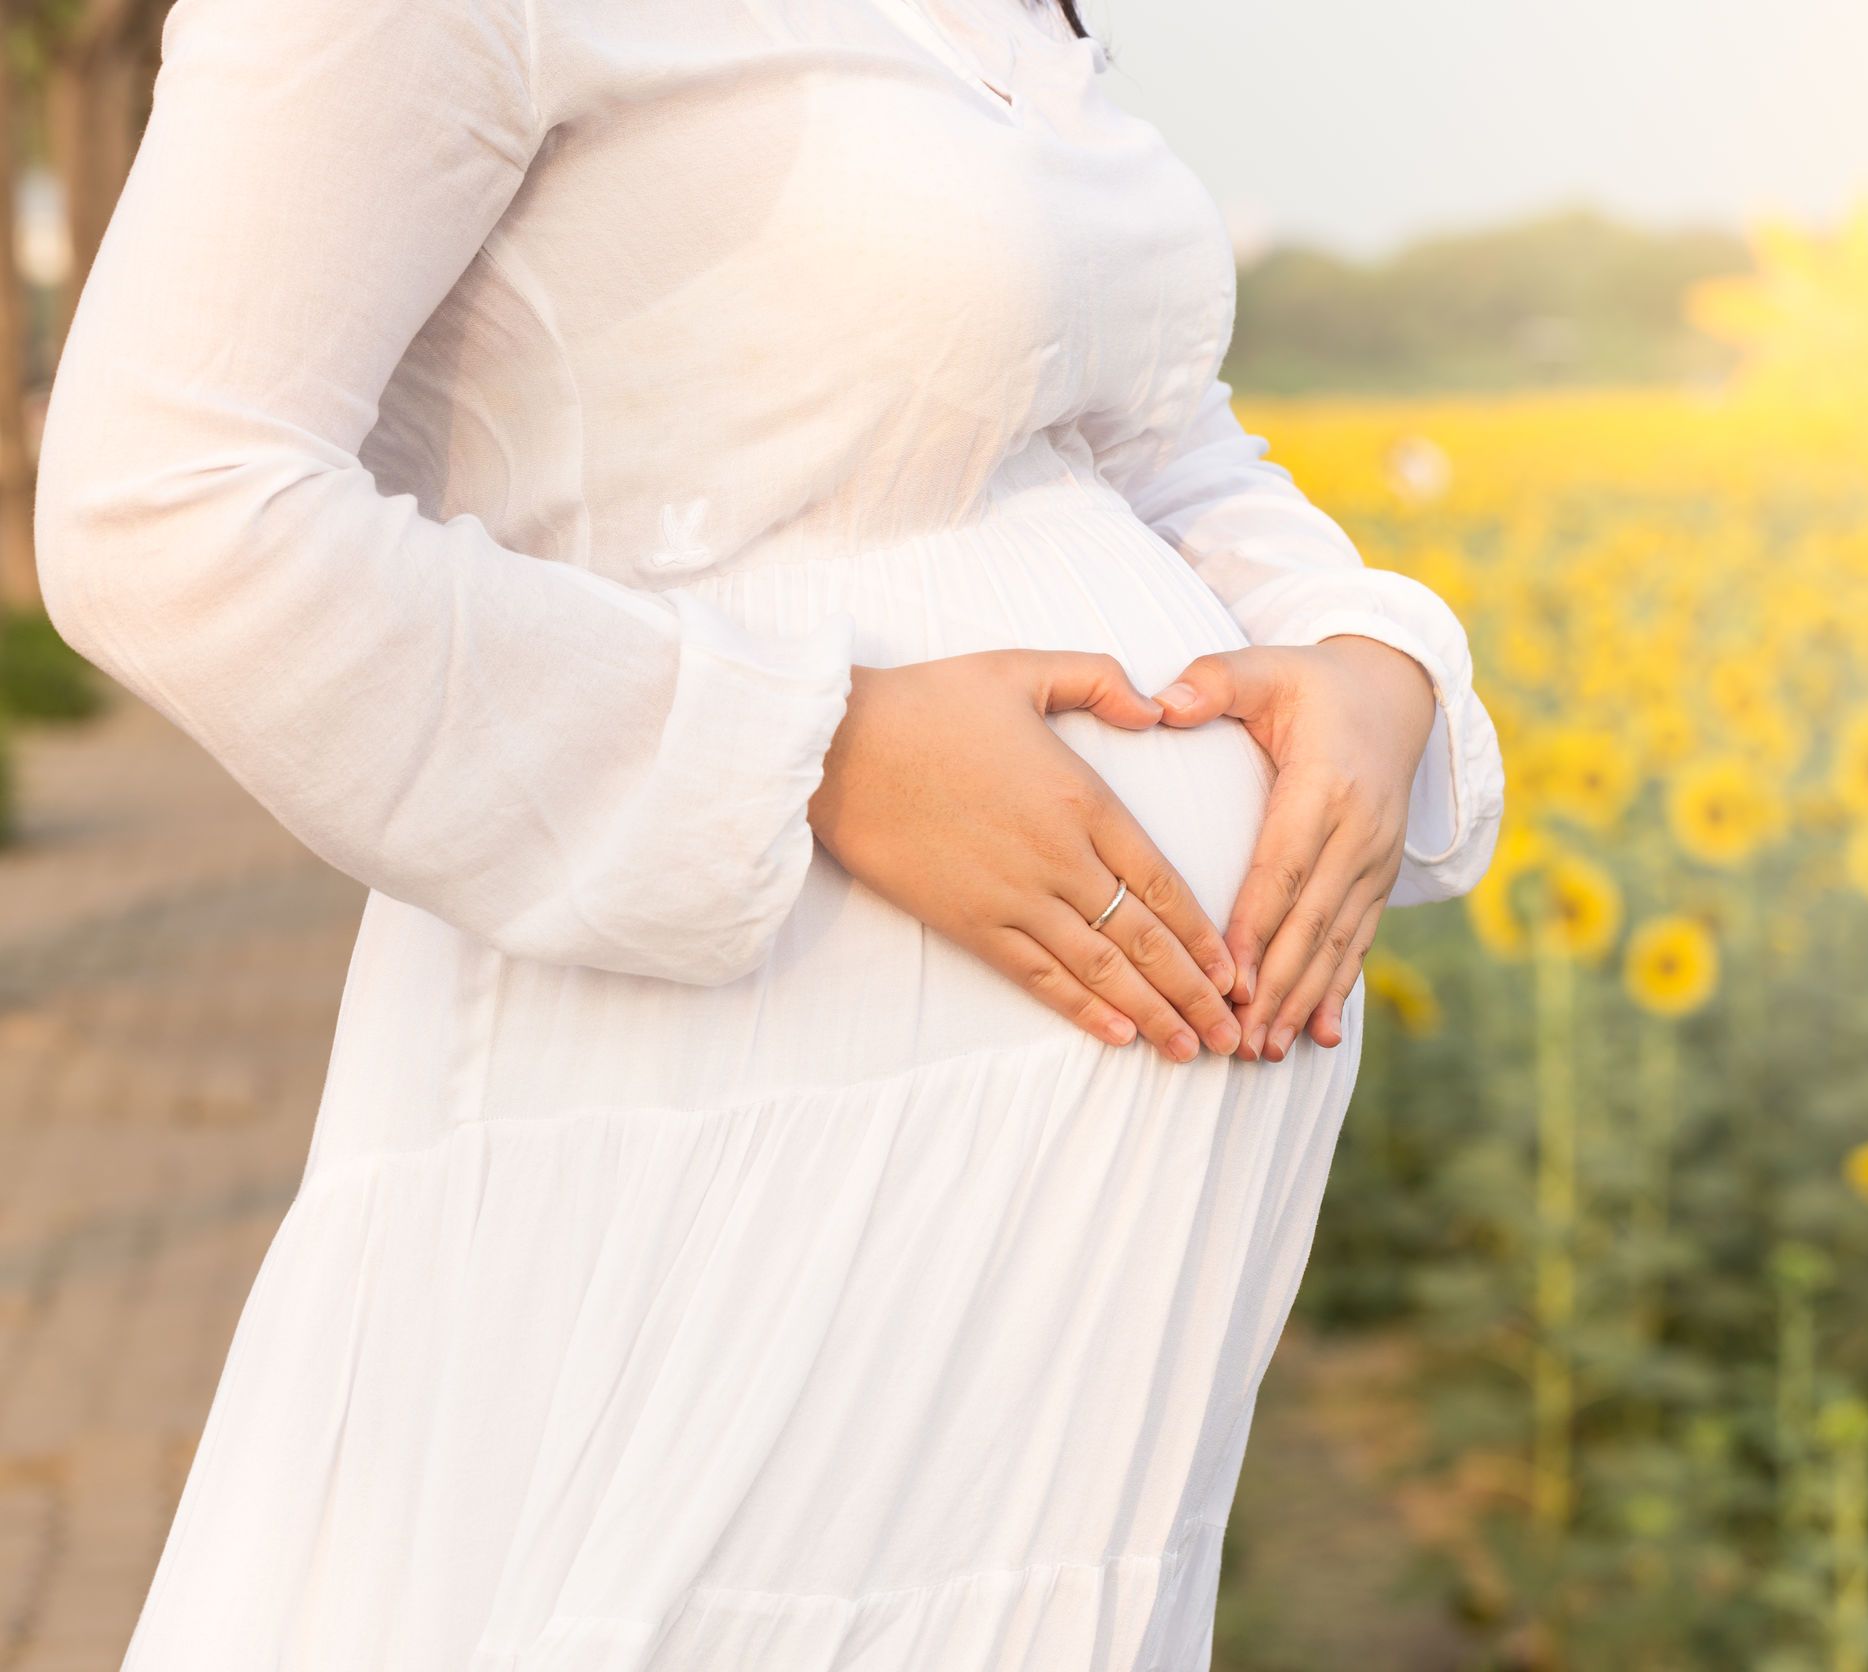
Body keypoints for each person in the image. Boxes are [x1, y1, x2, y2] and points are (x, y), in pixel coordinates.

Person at [30, 0, 1505, 1665]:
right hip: (700, 1169)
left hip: (1070, 1408)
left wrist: (1365, 656)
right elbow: (162, 507)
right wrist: (814, 748)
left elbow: (1137, 434)